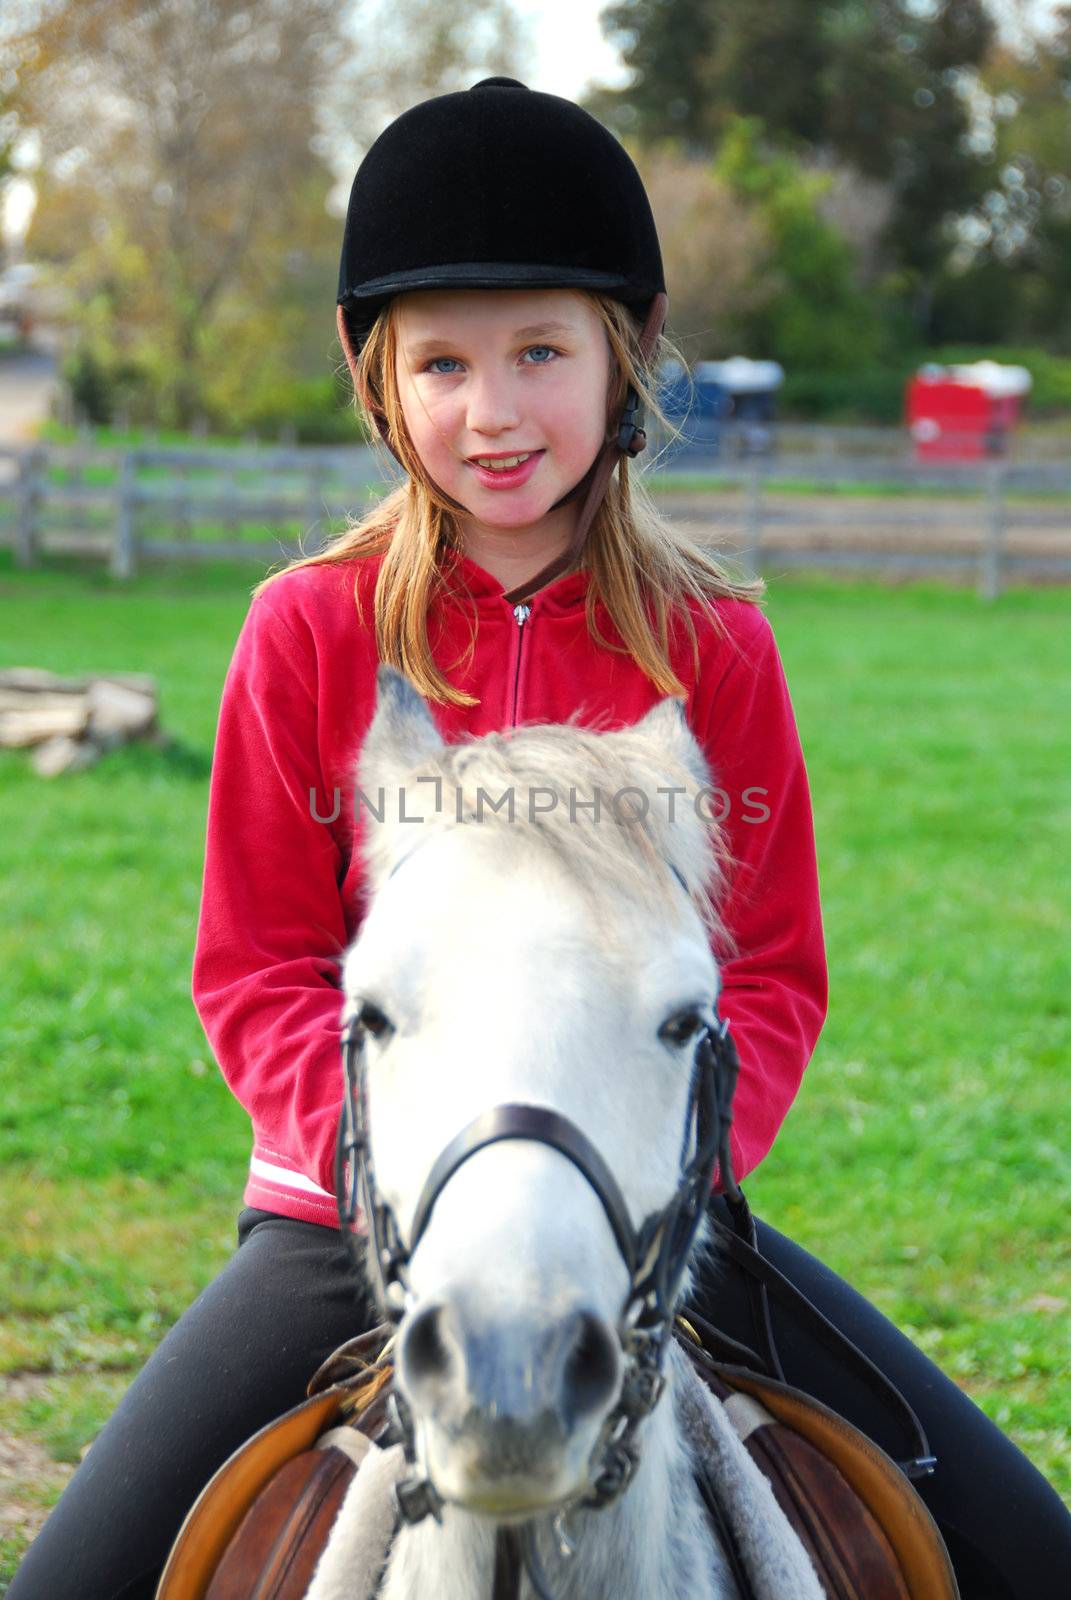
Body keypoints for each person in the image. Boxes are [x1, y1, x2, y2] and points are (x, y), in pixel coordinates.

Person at [10, 77, 1068, 1600]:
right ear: (381, 381)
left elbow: (768, 976)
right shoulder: (305, 633)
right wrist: (398, 1185)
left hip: (640, 1219)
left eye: (540, 354)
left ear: (622, 355)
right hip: (345, 1223)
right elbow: (254, 968)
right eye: (442, 362)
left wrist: (670, 1186)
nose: (492, 412)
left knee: (1025, 1550)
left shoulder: (716, 652)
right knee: (73, 1579)